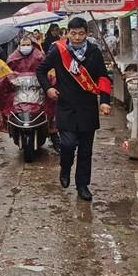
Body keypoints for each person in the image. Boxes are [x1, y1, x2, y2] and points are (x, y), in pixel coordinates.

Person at [36, 17, 112, 201]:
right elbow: (40, 70)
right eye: (73, 33)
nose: (77, 37)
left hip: (88, 108)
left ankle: (82, 185)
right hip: (66, 107)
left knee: (86, 151)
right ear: (67, 33)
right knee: (68, 144)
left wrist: (104, 100)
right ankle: (65, 167)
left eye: (81, 33)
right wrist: (48, 88)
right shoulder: (58, 50)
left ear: (87, 34)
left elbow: (103, 76)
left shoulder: (94, 52)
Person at [0, 35, 60, 151]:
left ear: (32, 45)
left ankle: (54, 137)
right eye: (23, 45)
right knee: (6, 106)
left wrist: (49, 83)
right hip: (18, 92)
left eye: (28, 44)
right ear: (18, 46)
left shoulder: (40, 57)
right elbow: (5, 76)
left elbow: (49, 72)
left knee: (52, 107)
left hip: (38, 90)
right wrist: (9, 79)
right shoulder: (12, 58)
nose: (25, 47)